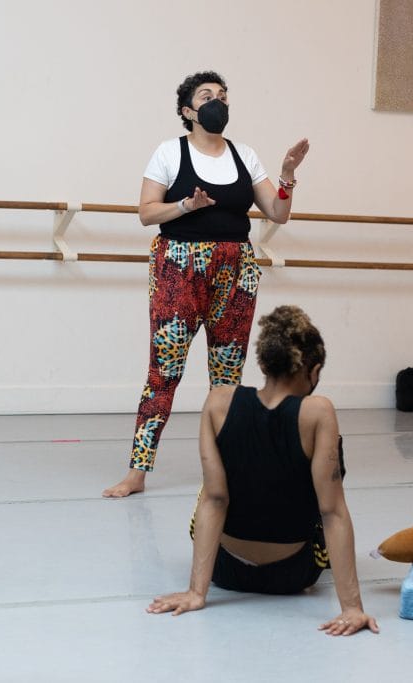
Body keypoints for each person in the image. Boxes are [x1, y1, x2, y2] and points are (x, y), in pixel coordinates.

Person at [104, 71, 309, 497]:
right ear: (187, 111)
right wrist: (186, 205)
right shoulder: (168, 153)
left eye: (223, 95)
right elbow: (146, 213)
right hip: (178, 267)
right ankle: (137, 473)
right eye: (206, 96)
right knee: (164, 372)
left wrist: (287, 175)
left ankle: (225, 468)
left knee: (227, 377)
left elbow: (278, 212)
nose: (217, 102)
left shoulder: (244, 155)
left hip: (236, 269)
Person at [146, 306, 379, 636]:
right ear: (312, 371)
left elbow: (215, 500)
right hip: (293, 576)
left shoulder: (218, 402)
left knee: (210, 489)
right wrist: (352, 607)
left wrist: (197, 593)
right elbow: (332, 512)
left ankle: (200, 586)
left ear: (265, 362)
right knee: (327, 480)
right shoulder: (318, 412)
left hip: (226, 572)